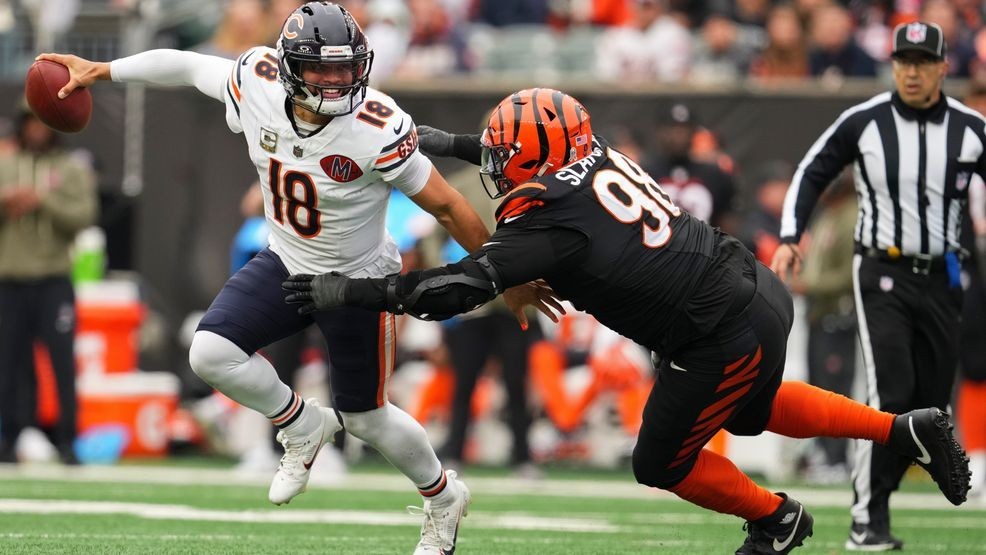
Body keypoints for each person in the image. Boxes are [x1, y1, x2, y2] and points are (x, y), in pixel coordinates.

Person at [282, 87, 972, 554]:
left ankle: (777, 518)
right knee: (751, 410)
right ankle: (901, 428)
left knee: (660, 459)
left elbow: (450, 290)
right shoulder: (593, 148)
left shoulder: (548, 228)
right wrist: (445, 141)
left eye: (498, 152)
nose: (492, 160)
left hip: (713, 331)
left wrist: (344, 291)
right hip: (748, 289)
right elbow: (534, 151)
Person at [39, 3, 552, 552]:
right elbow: (188, 66)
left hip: (359, 277)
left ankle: (443, 494)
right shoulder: (255, 81)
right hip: (285, 259)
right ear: (287, 68)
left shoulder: (377, 126)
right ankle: (302, 424)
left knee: (367, 419)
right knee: (209, 353)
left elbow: (448, 206)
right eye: (321, 69)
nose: (337, 81)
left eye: (345, 67)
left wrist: (505, 276)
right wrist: (103, 70)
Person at [771, 21, 982, 551]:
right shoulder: (864, 121)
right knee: (889, 394)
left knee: (931, 405)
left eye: (921, 61)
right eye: (902, 61)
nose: (911, 71)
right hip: (881, 275)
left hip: (945, 276)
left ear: (941, 67)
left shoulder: (970, 128)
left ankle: (895, 486)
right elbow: (812, 170)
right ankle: (869, 518)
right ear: (892, 66)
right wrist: (792, 234)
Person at [0, 103, 98, 464]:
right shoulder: (6, 165)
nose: (37, 131)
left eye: (44, 125)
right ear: (22, 127)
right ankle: (8, 440)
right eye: (31, 124)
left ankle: (68, 442)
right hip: (9, 278)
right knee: (8, 364)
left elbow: (85, 215)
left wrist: (43, 201)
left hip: (54, 278)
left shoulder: (70, 169)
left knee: (61, 363)